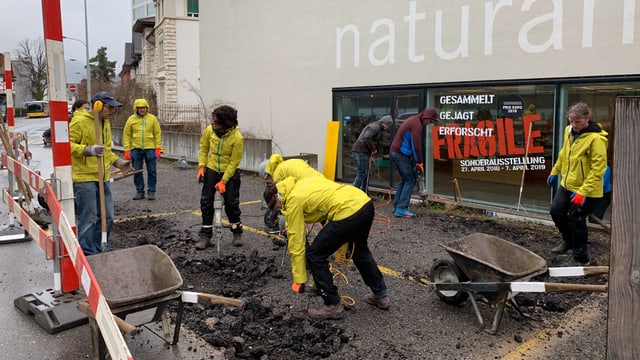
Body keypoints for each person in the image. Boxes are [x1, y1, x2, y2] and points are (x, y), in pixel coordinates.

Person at [263, 175, 390, 320]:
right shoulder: (300, 182)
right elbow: (323, 206)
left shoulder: (293, 201)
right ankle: (380, 295)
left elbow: (297, 244)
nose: (280, 211)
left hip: (347, 211)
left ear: (277, 197)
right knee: (359, 250)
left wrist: (299, 279)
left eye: (277, 207)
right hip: (363, 203)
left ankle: (332, 304)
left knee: (315, 254)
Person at [69, 91, 132, 256]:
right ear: (97, 105)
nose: (112, 111)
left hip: (102, 176)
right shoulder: (79, 121)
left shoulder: (105, 123)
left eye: (114, 108)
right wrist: (87, 150)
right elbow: (66, 146)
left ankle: (100, 246)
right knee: (89, 218)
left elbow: (106, 151)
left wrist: (119, 163)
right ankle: (87, 253)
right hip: (84, 177)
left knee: (108, 216)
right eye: (109, 107)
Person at [547, 102, 608, 266]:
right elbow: (563, 154)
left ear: (587, 118)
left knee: (576, 219)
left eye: (577, 121)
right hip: (568, 184)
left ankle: (581, 258)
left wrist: (583, 192)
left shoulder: (596, 139)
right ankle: (568, 242)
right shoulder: (569, 132)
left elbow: (598, 169)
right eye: (571, 121)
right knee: (556, 212)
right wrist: (555, 171)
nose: (574, 125)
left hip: (587, 189)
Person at [196, 105, 244, 249]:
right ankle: (205, 236)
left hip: (229, 173)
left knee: (231, 204)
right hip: (211, 170)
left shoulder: (237, 138)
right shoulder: (209, 131)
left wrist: (224, 181)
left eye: (216, 121)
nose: (212, 122)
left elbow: (234, 162)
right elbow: (204, 148)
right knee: (206, 202)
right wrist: (201, 166)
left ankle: (237, 232)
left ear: (226, 123)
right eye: (213, 119)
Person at [389, 108, 438, 218]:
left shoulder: (412, 119)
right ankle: (401, 209)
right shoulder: (417, 125)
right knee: (410, 180)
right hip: (401, 154)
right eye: (431, 121)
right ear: (426, 118)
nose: (430, 124)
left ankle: (396, 206)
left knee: (404, 180)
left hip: (395, 152)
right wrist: (419, 162)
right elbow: (416, 147)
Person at [123, 98, 162, 200]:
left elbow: (157, 134)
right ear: (136, 108)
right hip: (136, 149)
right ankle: (139, 191)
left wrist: (157, 148)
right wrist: (127, 149)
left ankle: (151, 191)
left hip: (150, 148)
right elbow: (126, 135)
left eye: (144, 108)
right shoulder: (131, 119)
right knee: (137, 171)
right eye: (140, 108)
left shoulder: (153, 119)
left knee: (152, 171)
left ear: (147, 108)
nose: (142, 110)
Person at [351, 115, 393, 192]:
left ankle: (365, 193)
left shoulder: (377, 128)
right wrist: (374, 150)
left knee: (366, 174)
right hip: (360, 151)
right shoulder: (375, 127)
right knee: (362, 173)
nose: (388, 128)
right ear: (385, 124)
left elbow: (373, 142)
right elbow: (367, 137)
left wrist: (373, 155)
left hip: (364, 152)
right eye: (389, 126)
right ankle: (353, 194)